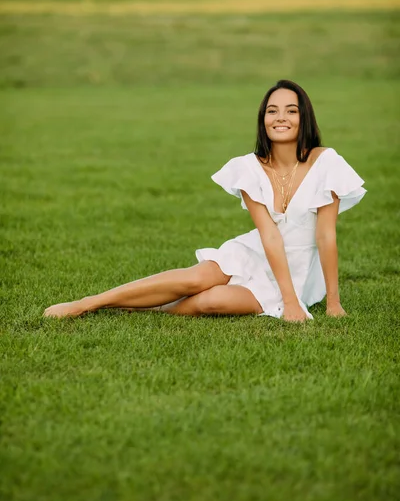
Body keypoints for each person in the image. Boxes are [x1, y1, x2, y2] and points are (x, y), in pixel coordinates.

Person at [44, 79, 366, 323]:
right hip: (254, 252)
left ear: (303, 117)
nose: (280, 118)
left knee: (212, 301)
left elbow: (325, 236)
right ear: (263, 119)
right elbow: (269, 236)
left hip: (297, 273)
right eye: (272, 111)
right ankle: (88, 303)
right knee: (196, 278)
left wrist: (329, 303)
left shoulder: (327, 163)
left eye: (291, 111)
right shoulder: (248, 168)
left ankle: (137, 306)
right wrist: (289, 303)